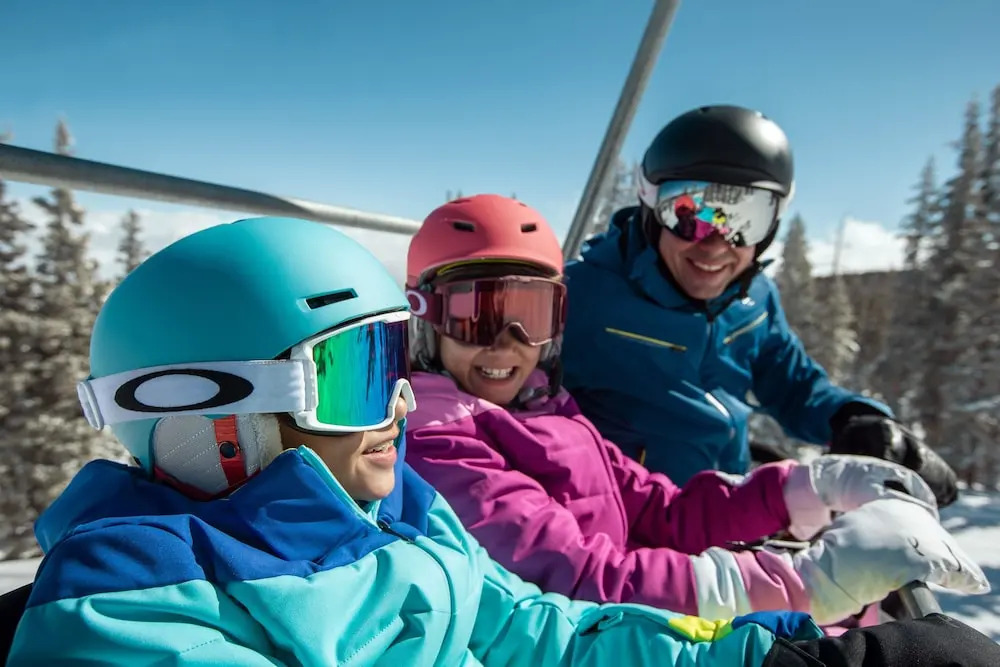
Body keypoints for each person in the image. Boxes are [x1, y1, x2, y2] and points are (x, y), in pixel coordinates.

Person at [4, 215, 862, 667]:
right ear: (212, 414)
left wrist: (779, 655)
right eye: (356, 372)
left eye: (394, 358)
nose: (403, 400)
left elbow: (547, 631)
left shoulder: (403, 507)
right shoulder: (132, 602)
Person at [402, 195, 988, 641]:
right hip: (595, 638)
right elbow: (579, 579)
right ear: (426, 317)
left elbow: (659, 509)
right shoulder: (442, 445)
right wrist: (807, 584)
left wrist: (803, 488)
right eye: (476, 316)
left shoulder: (546, 407)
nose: (507, 343)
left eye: (530, 315)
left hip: (633, 624)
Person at [557, 104, 958, 508]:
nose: (715, 245)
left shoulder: (754, 298)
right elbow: (522, 412)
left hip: (732, 512)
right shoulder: (580, 297)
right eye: (689, 215)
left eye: (743, 221)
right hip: (625, 524)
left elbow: (791, 382)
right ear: (651, 209)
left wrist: (852, 418)